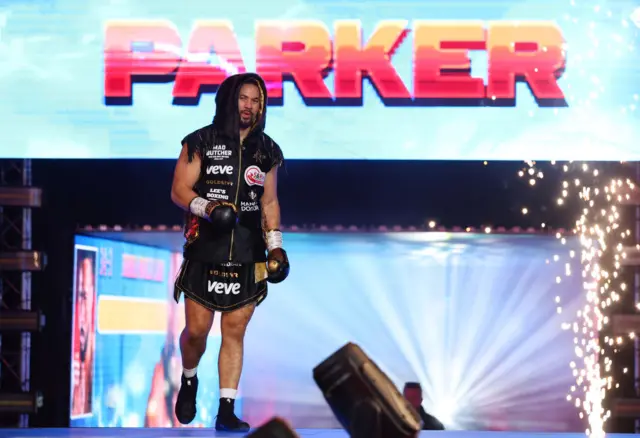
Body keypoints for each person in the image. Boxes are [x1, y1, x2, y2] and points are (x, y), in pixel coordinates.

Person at [170, 72, 289, 432]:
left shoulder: (267, 150)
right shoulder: (200, 141)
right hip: (206, 248)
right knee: (197, 331)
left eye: (255, 100)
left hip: (249, 254)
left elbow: (269, 202)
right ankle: (189, 379)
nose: (249, 106)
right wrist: (208, 208)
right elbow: (178, 189)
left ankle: (225, 409)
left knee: (234, 330)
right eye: (243, 98)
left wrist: (277, 247)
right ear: (229, 100)